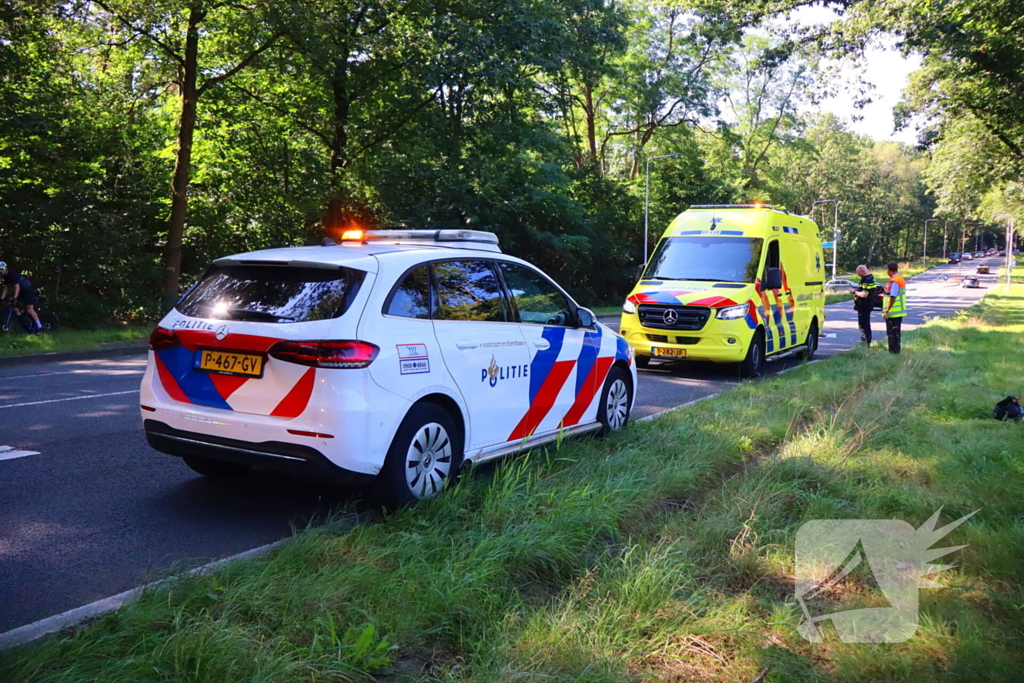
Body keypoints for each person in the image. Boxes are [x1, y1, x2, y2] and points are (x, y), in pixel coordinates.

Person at [0, 262, 43, 332]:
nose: (0, 271)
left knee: (29, 309)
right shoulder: (5, 276)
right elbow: (6, 288)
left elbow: (17, 287)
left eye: (2, 269)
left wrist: (14, 298)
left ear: (5, 269)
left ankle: (40, 327)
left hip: (28, 290)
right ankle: (22, 321)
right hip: (22, 291)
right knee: (15, 308)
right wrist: (1, 298)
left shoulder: (12, 275)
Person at [881, 261, 907, 354]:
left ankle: (893, 352)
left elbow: (893, 296)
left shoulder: (895, 281)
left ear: (889, 270)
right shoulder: (899, 278)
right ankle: (896, 352)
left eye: (887, 270)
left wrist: (887, 310)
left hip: (893, 312)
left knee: (892, 334)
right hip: (898, 311)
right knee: (896, 333)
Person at [851, 264, 880, 346]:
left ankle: (866, 342)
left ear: (863, 271)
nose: (858, 275)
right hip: (863, 305)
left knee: (864, 325)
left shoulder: (868, 280)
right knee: (864, 324)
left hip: (865, 305)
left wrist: (854, 292)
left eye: (859, 273)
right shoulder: (868, 278)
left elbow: (864, 294)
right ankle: (866, 341)